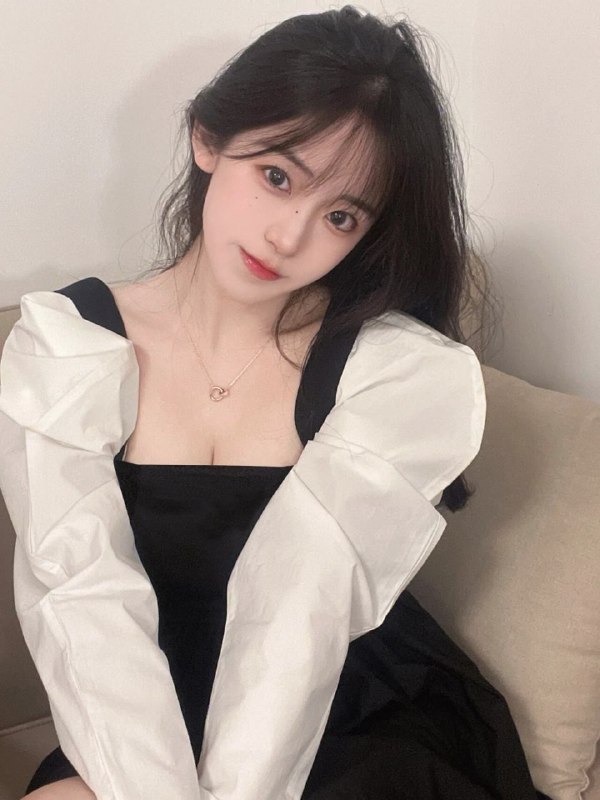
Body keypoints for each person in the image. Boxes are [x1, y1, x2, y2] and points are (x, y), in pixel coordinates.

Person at [0, 6, 551, 800]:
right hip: (140, 704)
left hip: (346, 706)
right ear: (208, 139)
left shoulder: (387, 369)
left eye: (340, 216)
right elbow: (79, 597)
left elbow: (302, 615)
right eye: (278, 177)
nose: (289, 237)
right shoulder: (68, 344)